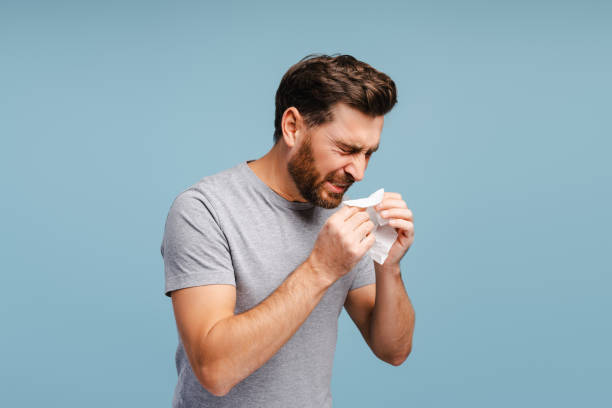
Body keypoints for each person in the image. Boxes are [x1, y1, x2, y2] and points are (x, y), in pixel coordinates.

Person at [160, 54, 416, 407]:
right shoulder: (204, 210)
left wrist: (389, 265)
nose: (359, 172)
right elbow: (214, 370)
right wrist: (321, 268)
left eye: (368, 153)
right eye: (346, 149)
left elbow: (393, 350)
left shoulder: (342, 217)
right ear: (292, 126)